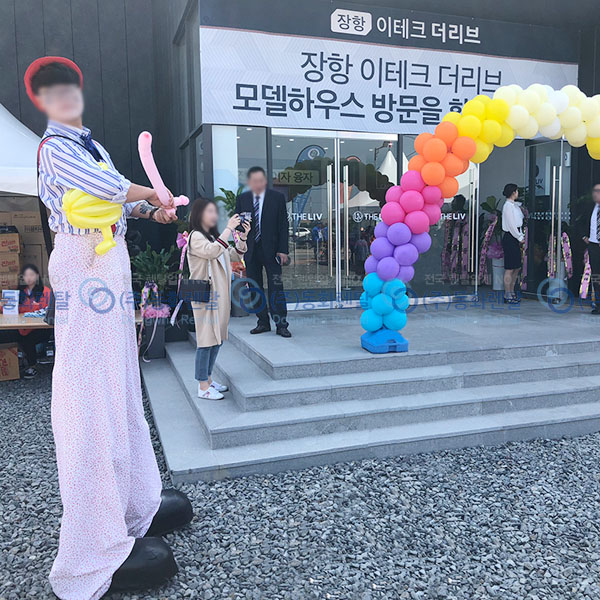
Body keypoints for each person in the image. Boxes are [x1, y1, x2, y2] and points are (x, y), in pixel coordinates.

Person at [26, 56, 193, 600]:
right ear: (42, 101)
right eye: (52, 90)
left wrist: (150, 212)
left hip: (108, 262)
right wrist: (150, 194)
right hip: (84, 267)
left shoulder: (89, 144)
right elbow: (106, 186)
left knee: (120, 386)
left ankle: (133, 503)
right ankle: (93, 547)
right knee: (91, 393)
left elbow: (111, 201)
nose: (64, 95)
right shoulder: (56, 149)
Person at [187, 198, 249, 399]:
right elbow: (212, 252)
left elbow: (233, 255)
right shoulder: (196, 236)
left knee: (217, 339)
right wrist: (229, 229)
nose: (214, 215)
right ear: (199, 214)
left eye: (215, 212)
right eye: (209, 211)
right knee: (206, 340)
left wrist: (242, 237)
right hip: (205, 295)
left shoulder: (213, 236)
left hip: (218, 295)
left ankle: (208, 379)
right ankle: (202, 386)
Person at [235, 166, 291, 337]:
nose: (258, 184)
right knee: (254, 287)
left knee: (276, 287)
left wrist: (283, 250)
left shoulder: (277, 198)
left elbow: (283, 224)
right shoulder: (242, 199)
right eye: (254, 181)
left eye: (260, 181)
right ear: (249, 182)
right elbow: (237, 223)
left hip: (273, 251)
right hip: (251, 250)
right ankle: (262, 322)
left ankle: (281, 324)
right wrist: (241, 229)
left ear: (265, 181)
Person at [0, 264, 52, 379]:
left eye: (31, 275)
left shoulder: (46, 292)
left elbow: (50, 310)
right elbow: (7, 311)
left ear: (37, 276)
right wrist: (3, 304)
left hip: (40, 328)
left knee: (27, 339)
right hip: (21, 327)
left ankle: (32, 365)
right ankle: (11, 363)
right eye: (26, 275)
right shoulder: (17, 293)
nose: (29, 278)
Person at [501, 183, 524, 304]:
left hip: (516, 236)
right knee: (510, 267)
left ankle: (512, 291)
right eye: (517, 191)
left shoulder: (515, 205)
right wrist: (519, 237)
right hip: (511, 236)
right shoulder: (508, 206)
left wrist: (520, 236)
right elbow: (511, 225)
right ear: (513, 192)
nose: (518, 193)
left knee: (516, 266)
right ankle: (507, 293)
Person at [581, 183, 600, 314]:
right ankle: (598, 305)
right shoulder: (590, 208)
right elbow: (580, 222)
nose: (596, 193)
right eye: (595, 191)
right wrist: (584, 236)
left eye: (598, 191)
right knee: (597, 276)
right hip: (594, 246)